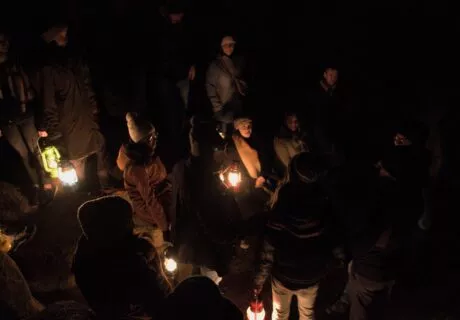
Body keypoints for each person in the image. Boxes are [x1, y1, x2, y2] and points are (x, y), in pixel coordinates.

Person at [253, 152, 334, 320]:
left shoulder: (281, 205)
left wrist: (258, 282)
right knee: (307, 313)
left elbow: (268, 251)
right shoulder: (324, 205)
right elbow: (330, 241)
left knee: (280, 314)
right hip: (311, 277)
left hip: (284, 276)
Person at [34, 24, 110, 192]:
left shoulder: (74, 60)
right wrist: (58, 144)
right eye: (61, 32)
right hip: (71, 132)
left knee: (102, 160)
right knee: (78, 173)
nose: (65, 35)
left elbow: (87, 87)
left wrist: (95, 112)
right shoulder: (49, 69)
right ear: (52, 37)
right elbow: (49, 108)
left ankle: (106, 190)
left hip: (88, 123)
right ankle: (83, 202)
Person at [72, 196, 170, 320]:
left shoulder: (86, 252)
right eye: (128, 220)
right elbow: (158, 299)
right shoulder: (132, 262)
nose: (133, 224)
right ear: (115, 227)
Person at [0, 31, 54, 206]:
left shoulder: (15, 64)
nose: (4, 45)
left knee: (36, 150)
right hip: (7, 120)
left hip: (25, 115)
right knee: (23, 155)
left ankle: (46, 183)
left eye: (6, 41)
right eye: (1, 41)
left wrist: (39, 119)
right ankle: (38, 186)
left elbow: (31, 90)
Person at [117, 112, 172, 247]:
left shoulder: (148, 157)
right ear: (144, 141)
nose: (156, 138)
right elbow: (150, 200)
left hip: (162, 195)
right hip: (148, 209)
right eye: (152, 136)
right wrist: (164, 227)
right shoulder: (138, 169)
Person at [206, 35, 247, 137]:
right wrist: (217, 107)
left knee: (237, 131)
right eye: (227, 45)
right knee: (226, 131)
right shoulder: (216, 65)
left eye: (232, 45)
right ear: (221, 46)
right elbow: (210, 86)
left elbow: (241, 78)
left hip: (237, 102)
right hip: (224, 105)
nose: (230, 48)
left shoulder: (238, 61)